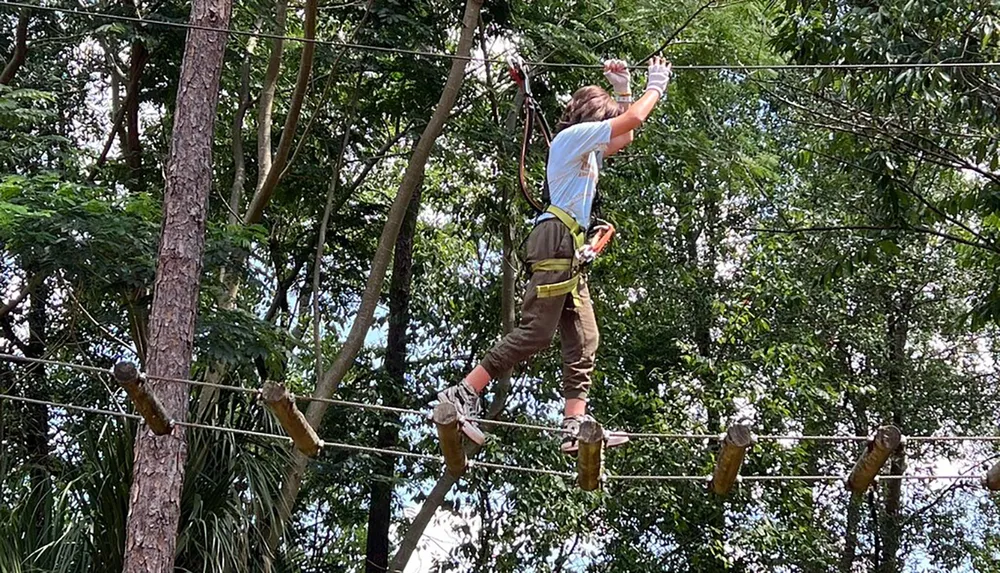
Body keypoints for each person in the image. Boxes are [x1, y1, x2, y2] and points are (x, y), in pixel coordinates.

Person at [438, 56, 673, 453]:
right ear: (590, 119)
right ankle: (462, 392)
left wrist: (622, 88)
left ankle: (574, 423)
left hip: (570, 247)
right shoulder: (572, 138)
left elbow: (626, 135)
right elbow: (630, 121)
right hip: (555, 238)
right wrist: (656, 86)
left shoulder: (587, 152)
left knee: (584, 339)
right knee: (537, 331)